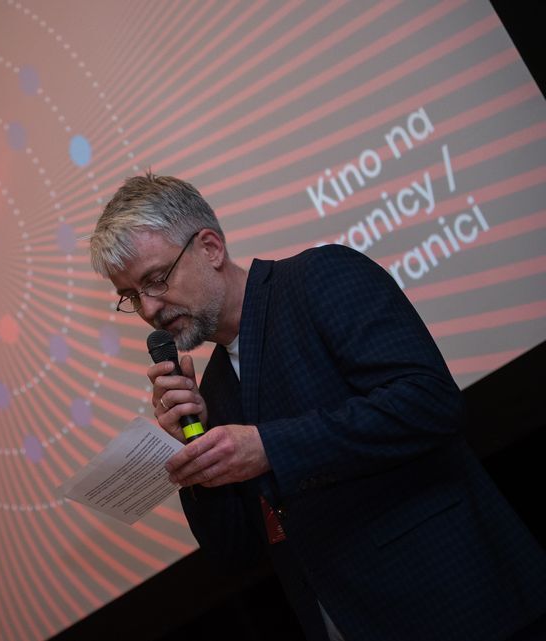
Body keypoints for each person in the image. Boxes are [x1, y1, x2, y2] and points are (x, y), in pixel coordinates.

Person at [88, 172, 546, 641]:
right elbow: (235, 554)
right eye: (131, 296)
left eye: (156, 280)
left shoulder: (320, 278)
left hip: (462, 606)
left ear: (210, 248)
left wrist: (269, 447)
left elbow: (429, 403)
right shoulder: (215, 391)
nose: (149, 310)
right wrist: (193, 453)